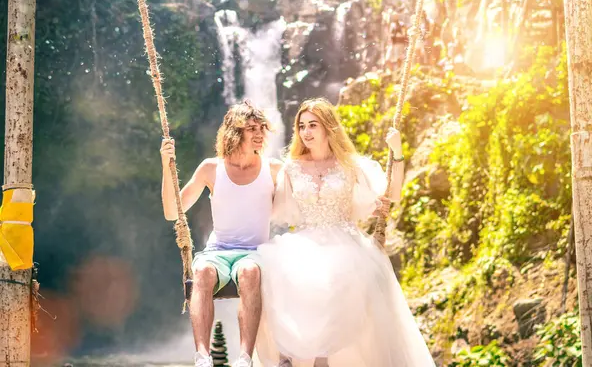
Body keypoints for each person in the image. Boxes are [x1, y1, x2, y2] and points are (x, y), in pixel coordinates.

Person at [255, 98, 435, 367]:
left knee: (337, 276)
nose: (306, 132)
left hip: (344, 239)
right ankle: (288, 356)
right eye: (302, 126)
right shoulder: (291, 167)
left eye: (313, 125)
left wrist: (396, 153)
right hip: (305, 240)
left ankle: (321, 361)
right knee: (277, 271)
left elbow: (392, 194)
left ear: (328, 127)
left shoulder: (350, 165)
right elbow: (271, 209)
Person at [160, 101, 283, 367]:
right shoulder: (211, 169)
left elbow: (300, 202)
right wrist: (165, 165)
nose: (259, 133)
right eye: (251, 128)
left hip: (255, 253)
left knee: (249, 273)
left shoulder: (273, 170)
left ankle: (245, 358)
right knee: (202, 272)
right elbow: (172, 211)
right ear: (234, 132)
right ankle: (202, 356)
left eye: (262, 127)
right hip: (218, 251)